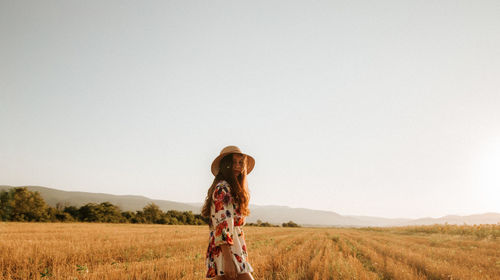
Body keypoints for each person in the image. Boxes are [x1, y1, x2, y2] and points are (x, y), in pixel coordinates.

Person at [202, 145, 256, 280]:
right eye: (233, 162)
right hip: (226, 250)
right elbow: (222, 225)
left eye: (240, 163)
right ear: (225, 165)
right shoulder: (223, 188)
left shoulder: (232, 189)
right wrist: (227, 259)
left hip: (235, 248)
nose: (237, 166)